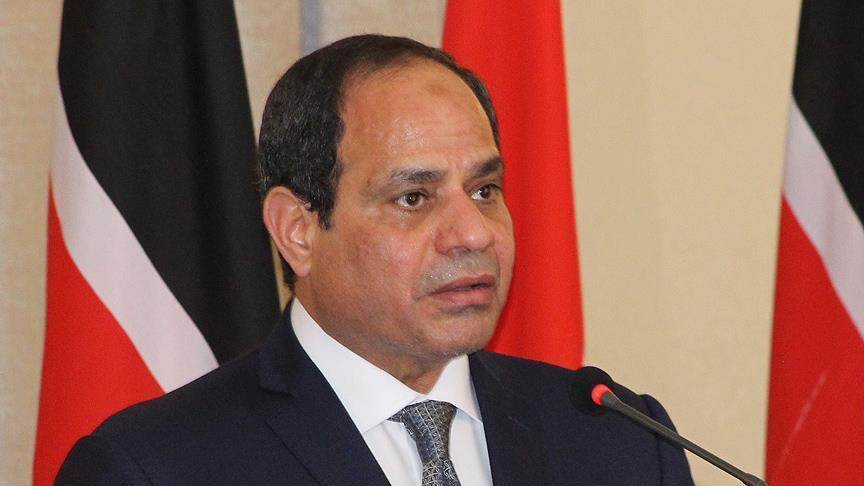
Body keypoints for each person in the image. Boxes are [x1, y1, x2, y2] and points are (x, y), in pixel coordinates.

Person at [57, 34, 693, 485]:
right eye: (413, 197)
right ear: (298, 230)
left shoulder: (623, 444)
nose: (474, 233)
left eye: (484, 190)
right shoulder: (153, 469)